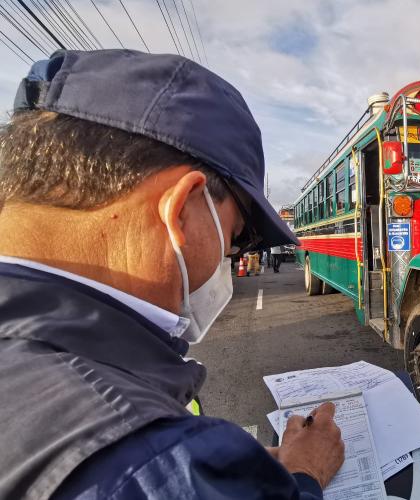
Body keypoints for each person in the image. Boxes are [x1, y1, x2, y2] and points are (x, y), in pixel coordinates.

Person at [0, 49, 344, 500]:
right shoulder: (160, 463)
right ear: (182, 210)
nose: (231, 257)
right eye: (236, 237)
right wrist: (304, 474)